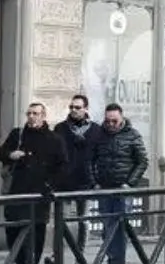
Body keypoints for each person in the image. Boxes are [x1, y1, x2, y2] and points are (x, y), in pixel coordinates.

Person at [0, 103, 66, 264]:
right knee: (14, 233)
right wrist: (11, 155)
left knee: (36, 237)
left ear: (43, 116)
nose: (31, 116)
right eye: (29, 113)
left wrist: (50, 186)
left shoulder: (54, 139)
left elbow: (62, 166)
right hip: (16, 193)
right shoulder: (17, 134)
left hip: (39, 196)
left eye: (35, 113)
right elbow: (0, 153)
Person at [91, 103, 149, 264]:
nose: (110, 125)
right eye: (108, 121)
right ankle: (113, 259)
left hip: (123, 188)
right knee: (108, 226)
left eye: (114, 121)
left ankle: (116, 261)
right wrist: (94, 182)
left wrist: (130, 183)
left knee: (119, 226)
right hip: (104, 188)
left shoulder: (133, 135)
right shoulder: (99, 135)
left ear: (121, 118)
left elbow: (142, 161)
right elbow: (90, 160)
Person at [52, 95, 105, 244]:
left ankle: (80, 255)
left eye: (77, 107)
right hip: (65, 182)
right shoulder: (60, 128)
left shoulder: (96, 130)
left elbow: (99, 156)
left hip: (85, 181)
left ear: (86, 109)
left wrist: (96, 179)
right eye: (71, 107)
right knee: (62, 221)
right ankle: (59, 255)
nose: (74, 110)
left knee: (84, 221)